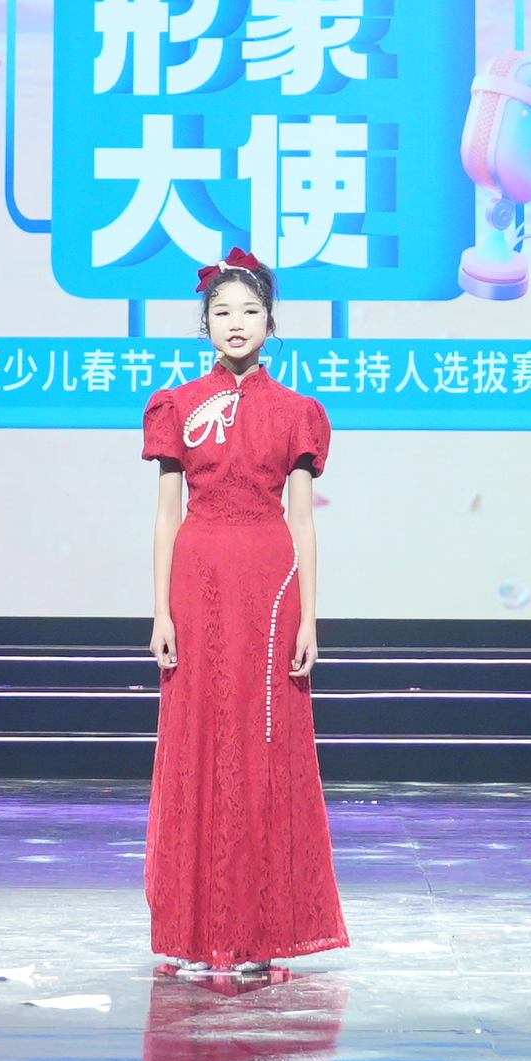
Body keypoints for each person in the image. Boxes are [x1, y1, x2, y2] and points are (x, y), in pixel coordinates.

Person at [140, 248, 349, 975]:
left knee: (265, 742)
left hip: (269, 580)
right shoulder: (175, 405)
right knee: (198, 740)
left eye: (250, 311)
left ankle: (261, 933)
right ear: (204, 323)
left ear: (271, 322)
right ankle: (199, 932)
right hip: (197, 578)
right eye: (222, 312)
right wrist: (160, 611)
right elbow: (166, 516)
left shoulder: (297, 413)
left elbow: (304, 522)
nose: (236, 323)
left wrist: (310, 618)